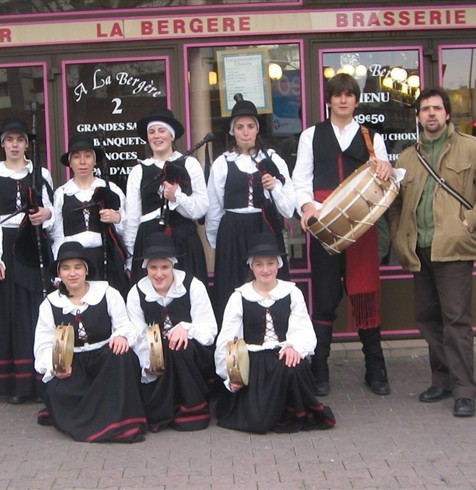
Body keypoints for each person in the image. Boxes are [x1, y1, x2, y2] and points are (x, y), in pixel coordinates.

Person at [388, 87, 476, 417]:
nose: (431, 114)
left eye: (437, 108)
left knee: (456, 320)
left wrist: (469, 221)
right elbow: (394, 203)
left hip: (453, 249)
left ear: (448, 114)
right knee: (427, 319)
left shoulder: (472, 148)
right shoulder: (408, 157)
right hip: (419, 250)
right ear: (418, 116)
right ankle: (442, 379)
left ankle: (464, 389)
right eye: (425, 109)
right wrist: (398, 237)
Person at [292, 73, 393, 397]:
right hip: (325, 224)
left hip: (363, 225)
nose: (344, 100)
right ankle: (320, 369)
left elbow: (384, 175)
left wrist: (388, 168)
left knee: (364, 296)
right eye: (338, 95)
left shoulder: (371, 138)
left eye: (349, 95)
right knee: (324, 298)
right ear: (329, 99)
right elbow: (300, 182)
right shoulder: (310, 136)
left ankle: (375, 369)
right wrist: (308, 208)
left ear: (356, 100)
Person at [214, 233, 335, 434]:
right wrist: (230, 375)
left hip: (283, 353)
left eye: (270, 263)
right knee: (258, 421)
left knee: (291, 366)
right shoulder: (239, 297)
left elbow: (303, 327)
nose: (265, 269)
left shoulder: (292, 292)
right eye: (259, 264)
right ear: (252, 267)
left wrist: (294, 347)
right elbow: (227, 340)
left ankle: (289, 412)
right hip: (253, 361)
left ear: (278, 265)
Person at [34, 241, 148, 443]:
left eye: (78, 267)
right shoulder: (49, 304)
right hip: (73, 363)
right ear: (59, 273)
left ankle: (118, 424)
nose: (72, 273)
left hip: (104, 359)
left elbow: (126, 325)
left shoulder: (107, 293)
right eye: (66, 268)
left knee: (124, 358)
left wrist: (121, 336)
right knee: (58, 393)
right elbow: (42, 344)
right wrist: (55, 368)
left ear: (86, 270)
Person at [0, 117, 54, 405]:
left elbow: (53, 211)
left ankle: (41, 378)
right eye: (9, 140)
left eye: (19, 140)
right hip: (8, 246)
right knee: (10, 314)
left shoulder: (41, 172)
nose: (14, 144)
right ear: (2, 144)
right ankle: (15, 383)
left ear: (26, 143)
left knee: (37, 312)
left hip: (34, 244)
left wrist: (45, 216)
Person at [206, 98, 296, 322]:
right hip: (232, 232)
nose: (245, 132)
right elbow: (214, 208)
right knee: (232, 287)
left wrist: (274, 187)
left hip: (264, 229)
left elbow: (288, 207)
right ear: (232, 131)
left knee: (268, 286)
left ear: (257, 129)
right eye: (240, 127)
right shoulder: (222, 163)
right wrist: (219, 244)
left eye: (250, 126)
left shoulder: (273, 160)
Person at [127, 232, 217, 432]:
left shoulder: (193, 285)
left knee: (178, 347)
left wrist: (186, 328)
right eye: (153, 268)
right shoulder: (136, 293)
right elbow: (138, 335)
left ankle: (191, 409)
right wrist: (149, 362)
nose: (159, 274)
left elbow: (210, 329)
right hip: (155, 355)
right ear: (146, 268)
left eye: (165, 267)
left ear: (173, 265)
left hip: (191, 353)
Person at [123, 107, 208, 285]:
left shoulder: (190, 164)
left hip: (182, 239)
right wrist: (131, 257)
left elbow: (201, 208)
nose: (156, 136)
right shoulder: (138, 171)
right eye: (152, 132)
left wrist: (177, 197)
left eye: (162, 130)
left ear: (172, 135)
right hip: (149, 239)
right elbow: (132, 218)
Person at [50, 134, 129, 295]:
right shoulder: (62, 193)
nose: (83, 162)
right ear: (70, 162)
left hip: (106, 258)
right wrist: (59, 268)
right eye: (77, 157)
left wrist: (116, 218)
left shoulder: (111, 189)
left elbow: (128, 227)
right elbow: (57, 234)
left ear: (94, 160)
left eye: (87, 156)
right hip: (74, 261)